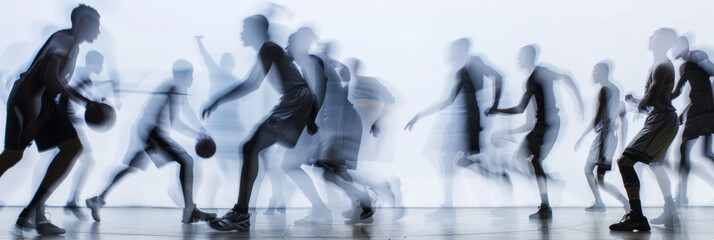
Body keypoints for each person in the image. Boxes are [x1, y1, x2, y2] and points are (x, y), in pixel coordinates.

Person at [202, 15, 319, 232]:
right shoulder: (268, 49)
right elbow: (254, 83)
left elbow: (251, 84)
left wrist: (217, 99)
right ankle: (242, 211)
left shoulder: (269, 48)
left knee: (250, 148)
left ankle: (241, 213)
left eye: (245, 28)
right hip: (296, 100)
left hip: (296, 99)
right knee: (253, 150)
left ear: (257, 30)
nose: (241, 32)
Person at [0, 4, 100, 236]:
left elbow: (54, 82)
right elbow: (51, 79)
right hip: (32, 96)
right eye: (96, 25)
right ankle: (32, 214)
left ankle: (33, 214)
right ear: (84, 23)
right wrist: (87, 102)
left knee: (20, 154)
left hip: (33, 97)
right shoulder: (67, 40)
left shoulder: (66, 40)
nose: (98, 31)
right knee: (65, 148)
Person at [85, 60, 216, 224]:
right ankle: (189, 210)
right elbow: (176, 122)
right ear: (183, 75)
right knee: (186, 161)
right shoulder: (175, 86)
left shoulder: (175, 87)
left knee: (130, 168)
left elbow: (186, 111)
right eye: (191, 75)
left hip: (147, 131)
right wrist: (198, 135)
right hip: (153, 132)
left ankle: (98, 199)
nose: (193, 79)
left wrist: (199, 131)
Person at [404, 38, 504, 210]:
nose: (451, 54)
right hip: (464, 120)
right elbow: (448, 100)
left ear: (464, 49)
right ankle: (496, 177)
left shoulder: (475, 62)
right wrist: (420, 115)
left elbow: (498, 77)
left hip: (471, 119)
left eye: (455, 49)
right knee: (455, 160)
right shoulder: (462, 71)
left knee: (450, 158)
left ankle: (493, 179)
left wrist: (495, 105)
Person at [488, 44, 584, 219]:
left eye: (521, 55)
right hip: (539, 125)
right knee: (519, 159)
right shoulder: (530, 81)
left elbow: (567, 77)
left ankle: (545, 206)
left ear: (529, 56)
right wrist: (497, 111)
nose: (518, 58)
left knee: (535, 162)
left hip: (549, 123)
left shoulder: (542, 72)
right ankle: (551, 183)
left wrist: (580, 102)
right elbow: (520, 109)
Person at [609, 28, 680, 231]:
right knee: (656, 165)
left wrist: (637, 103)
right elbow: (656, 97)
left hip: (661, 120)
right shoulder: (660, 65)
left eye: (655, 36)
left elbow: (651, 98)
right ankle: (671, 212)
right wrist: (639, 102)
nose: (650, 38)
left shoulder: (661, 66)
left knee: (625, 162)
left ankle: (637, 217)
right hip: (662, 118)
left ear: (664, 41)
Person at [574, 61, 629, 212]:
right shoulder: (615, 89)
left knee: (592, 173)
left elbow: (598, 118)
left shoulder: (604, 90)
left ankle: (616, 203)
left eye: (595, 71)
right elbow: (620, 114)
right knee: (598, 177)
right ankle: (609, 202)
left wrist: (582, 136)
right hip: (609, 137)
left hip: (605, 138)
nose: (592, 74)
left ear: (604, 71)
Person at [670, 36, 714, 207]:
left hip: (705, 110)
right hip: (699, 109)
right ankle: (682, 195)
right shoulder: (684, 67)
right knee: (704, 153)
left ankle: (681, 195)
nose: (673, 49)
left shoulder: (697, 56)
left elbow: (712, 71)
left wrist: (702, 61)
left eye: (675, 46)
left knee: (685, 150)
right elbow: (677, 92)